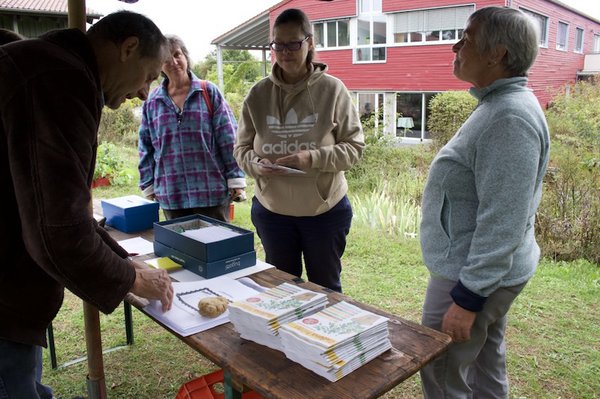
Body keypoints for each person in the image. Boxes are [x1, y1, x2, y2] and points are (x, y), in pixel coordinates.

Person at [0, 11, 174, 398]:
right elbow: (58, 230)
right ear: (128, 48)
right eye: (148, 76)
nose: (145, 93)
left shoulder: (41, 63)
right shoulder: (58, 79)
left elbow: (53, 205)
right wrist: (128, 278)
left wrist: (123, 261)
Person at [419, 7, 550, 398]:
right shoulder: (500, 105)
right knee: (486, 361)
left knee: (442, 371)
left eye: (467, 38)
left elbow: (503, 219)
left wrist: (468, 298)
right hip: (488, 272)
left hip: (472, 276)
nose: (456, 46)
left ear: (497, 53)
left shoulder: (509, 117)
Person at [234, 8, 365, 293]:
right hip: (273, 212)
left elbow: (354, 149)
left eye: (293, 43)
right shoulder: (258, 94)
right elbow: (241, 148)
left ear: (310, 42)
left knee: (325, 290)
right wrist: (256, 164)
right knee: (281, 290)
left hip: (324, 212)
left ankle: (326, 339)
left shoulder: (333, 90)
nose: (285, 52)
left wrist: (312, 158)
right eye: (277, 45)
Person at [138, 35, 246, 222]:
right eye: (166, 58)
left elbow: (229, 137)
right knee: (180, 249)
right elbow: (145, 146)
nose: (173, 62)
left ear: (186, 57)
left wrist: (235, 178)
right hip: (172, 193)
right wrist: (148, 183)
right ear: (159, 65)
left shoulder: (208, 92)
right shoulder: (152, 102)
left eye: (177, 54)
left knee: (216, 247)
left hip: (210, 191)